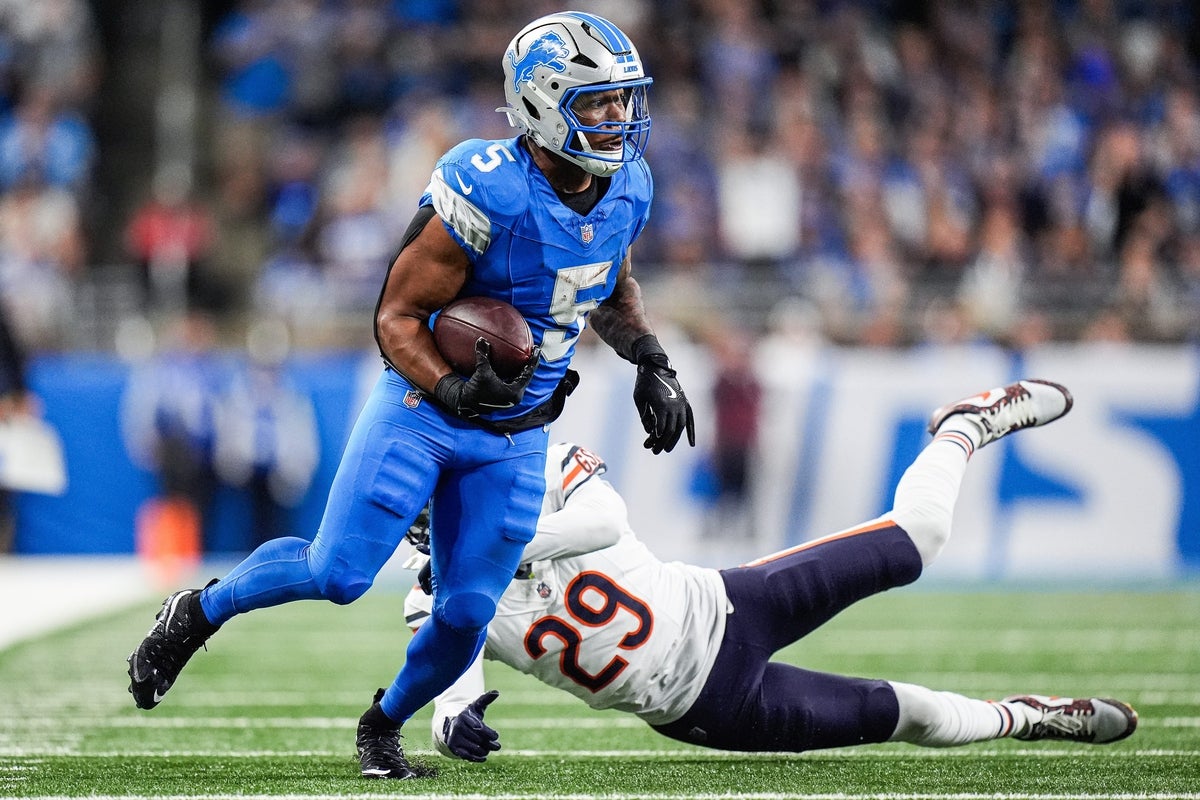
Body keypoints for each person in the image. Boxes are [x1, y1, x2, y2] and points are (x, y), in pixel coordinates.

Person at [126, 10, 696, 781]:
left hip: (516, 431)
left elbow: (607, 287)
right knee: (339, 574)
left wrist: (651, 359)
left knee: (466, 612)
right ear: (541, 103)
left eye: (623, 98)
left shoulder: (628, 185)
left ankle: (382, 724)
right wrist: (454, 385)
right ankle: (198, 611)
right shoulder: (488, 186)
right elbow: (395, 317)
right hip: (424, 410)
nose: (618, 116)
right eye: (596, 101)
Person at [403, 379, 1138, 762]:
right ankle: (1029, 718)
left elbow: (605, 523)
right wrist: (449, 722)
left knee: (920, 537)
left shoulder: (542, 470)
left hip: (727, 607)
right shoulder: (434, 596)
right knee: (910, 715)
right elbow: (449, 688)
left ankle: (965, 425)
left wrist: (506, 547)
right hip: (708, 710)